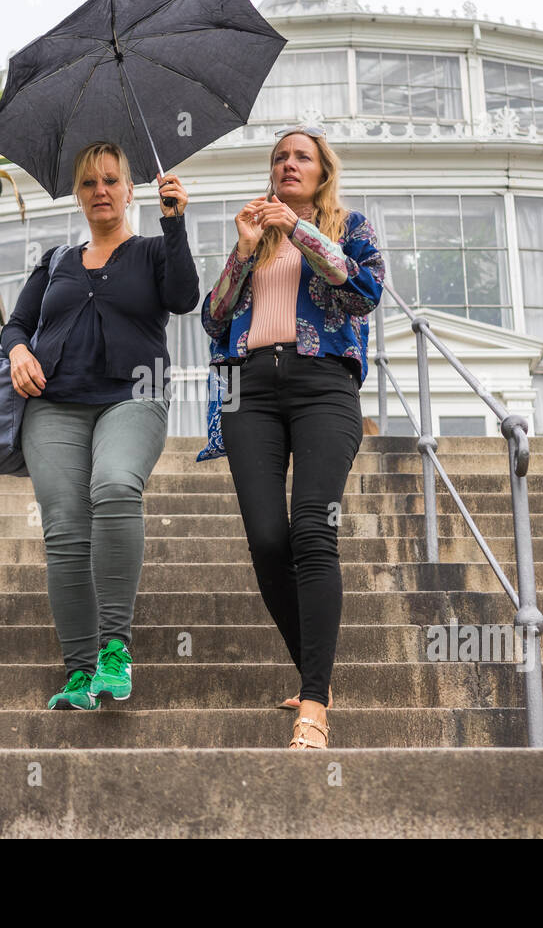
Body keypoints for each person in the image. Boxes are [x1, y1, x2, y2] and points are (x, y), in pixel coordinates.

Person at [200, 125, 385, 748]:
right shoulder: (257, 235)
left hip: (323, 386)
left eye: (301, 156)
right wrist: (243, 250)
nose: (288, 164)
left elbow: (363, 292)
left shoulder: (347, 225)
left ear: (322, 171)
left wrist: (301, 230)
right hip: (245, 391)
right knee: (266, 538)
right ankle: (316, 672)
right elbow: (213, 317)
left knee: (312, 526)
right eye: (279, 157)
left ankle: (313, 699)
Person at [0, 141, 200, 709]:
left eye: (111, 181)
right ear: (78, 195)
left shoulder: (155, 251)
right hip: (55, 403)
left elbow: (185, 299)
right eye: (89, 184)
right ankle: (79, 672)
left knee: (114, 485)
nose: (101, 191)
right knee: (64, 529)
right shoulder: (57, 261)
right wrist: (18, 353)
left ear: (129, 190)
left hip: (134, 396)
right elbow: (16, 324)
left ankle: (115, 648)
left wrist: (176, 222)